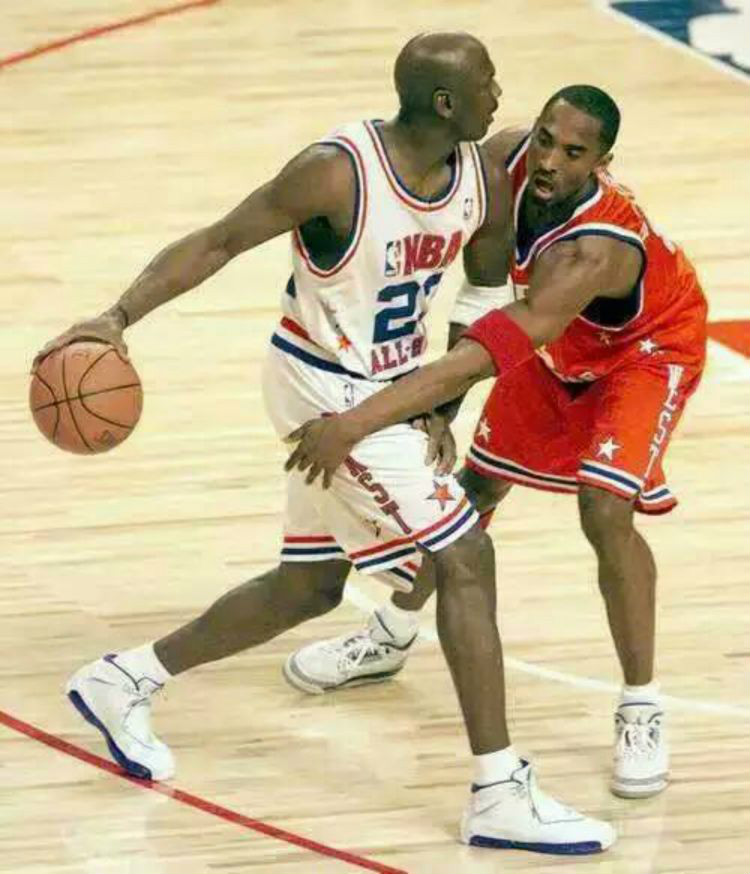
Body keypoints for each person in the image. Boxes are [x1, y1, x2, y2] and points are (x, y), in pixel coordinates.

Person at [35, 35, 615, 855]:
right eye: (486, 83)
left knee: (308, 587)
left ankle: (123, 678)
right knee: (464, 556)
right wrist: (116, 316)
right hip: (323, 389)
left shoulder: (482, 178)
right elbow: (219, 240)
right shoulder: (338, 171)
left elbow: (485, 290)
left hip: (389, 388)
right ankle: (498, 791)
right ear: (444, 102)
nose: (498, 94)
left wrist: (443, 402)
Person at [284, 85, 708, 802]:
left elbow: (490, 350)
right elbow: (456, 245)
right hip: (561, 339)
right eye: (545, 139)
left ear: (603, 162)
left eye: (573, 152)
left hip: (645, 351)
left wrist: (363, 420)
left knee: (605, 508)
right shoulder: (502, 157)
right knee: (472, 491)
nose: (549, 161)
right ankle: (392, 633)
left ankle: (641, 705)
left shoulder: (595, 251)